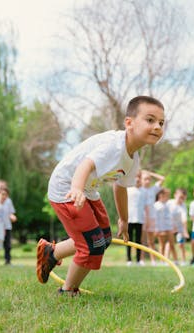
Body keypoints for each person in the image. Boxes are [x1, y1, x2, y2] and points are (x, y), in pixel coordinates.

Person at [37, 96, 165, 295]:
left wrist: (124, 219)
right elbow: (85, 165)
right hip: (67, 188)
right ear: (129, 123)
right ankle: (68, 291)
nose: (157, 126)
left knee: (103, 238)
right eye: (150, 120)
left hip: (87, 190)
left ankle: (51, 253)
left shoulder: (133, 158)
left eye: (161, 122)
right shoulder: (114, 146)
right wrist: (77, 189)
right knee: (93, 245)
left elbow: (120, 187)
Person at [140, 170, 165, 266]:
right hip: (142, 217)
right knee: (142, 240)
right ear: (141, 180)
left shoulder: (153, 189)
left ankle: (153, 260)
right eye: (145, 179)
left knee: (151, 241)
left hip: (152, 217)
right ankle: (141, 260)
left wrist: (149, 173)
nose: (148, 181)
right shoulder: (139, 189)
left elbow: (162, 178)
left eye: (149, 179)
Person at [126, 171, 146, 266]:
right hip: (129, 218)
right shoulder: (128, 189)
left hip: (140, 218)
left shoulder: (143, 191)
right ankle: (129, 259)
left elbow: (145, 206)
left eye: (139, 177)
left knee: (138, 240)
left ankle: (138, 260)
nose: (137, 179)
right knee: (128, 239)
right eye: (136, 177)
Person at [154, 188, 178, 263]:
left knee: (172, 244)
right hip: (161, 228)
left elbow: (171, 216)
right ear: (161, 195)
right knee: (162, 245)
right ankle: (162, 261)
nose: (168, 197)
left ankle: (175, 260)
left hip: (169, 227)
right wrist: (156, 229)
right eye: (167, 195)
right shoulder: (156, 205)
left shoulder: (168, 204)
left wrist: (173, 226)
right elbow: (156, 218)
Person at [167, 188, 189, 266]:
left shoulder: (183, 206)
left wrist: (185, 231)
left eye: (183, 198)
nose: (181, 199)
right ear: (175, 195)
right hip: (170, 227)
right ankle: (167, 260)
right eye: (180, 197)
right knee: (169, 244)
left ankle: (183, 261)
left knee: (181, 244)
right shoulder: (169, 203)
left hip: (180, 229)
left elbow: (184, 219)